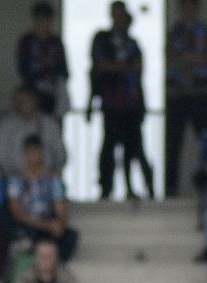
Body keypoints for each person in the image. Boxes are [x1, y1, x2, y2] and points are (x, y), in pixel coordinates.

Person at [89, 2, 155, 202]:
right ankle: (105, 188)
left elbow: (138, 69)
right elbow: (100, 66)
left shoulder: (133, 43)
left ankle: (138, 188)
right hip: (111, 104)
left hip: (132, 105)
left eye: (123, 16)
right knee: (109, 147)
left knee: (134, 148)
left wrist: (118, 68)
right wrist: (123, 67)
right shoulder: (102, 39)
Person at [163, 0, 207, 197]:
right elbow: (171, 56)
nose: (188, 11)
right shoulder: (174, 32)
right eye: (184, 7)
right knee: (173, 144)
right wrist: (195, 58)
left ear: (197, 8)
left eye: (192, 7)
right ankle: (170, 189)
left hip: (200, 94)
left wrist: (189, 58)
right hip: (177, 95)